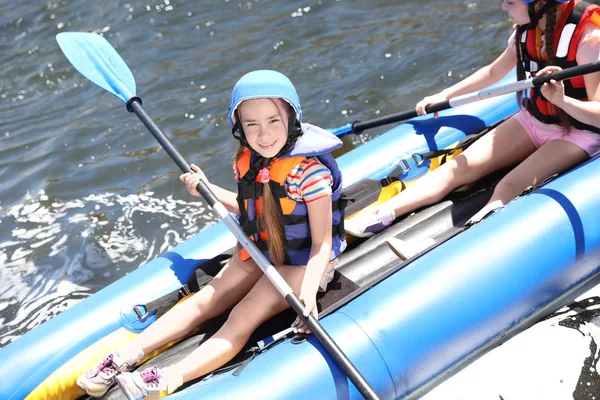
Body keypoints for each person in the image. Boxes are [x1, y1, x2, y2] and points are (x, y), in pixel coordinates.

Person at [76, 70, 346, 399]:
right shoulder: (249, 161)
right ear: (239, 127)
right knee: (205, 301)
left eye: (274, 121)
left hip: (304, 263)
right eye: (252, 125)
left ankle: (167, 379)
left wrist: (307, 295)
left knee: (244, 313)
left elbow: (322, 244)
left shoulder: (310, 175)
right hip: (261, 250)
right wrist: (206, 187)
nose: (264, 134)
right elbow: (252, 207)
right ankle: (123, 358)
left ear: (292, 118)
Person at [344, 0, 600, 238]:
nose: (503, 6)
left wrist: (562, 101)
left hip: (578, 133)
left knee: (509, 185)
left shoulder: (589, 39)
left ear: (540, 5)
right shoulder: (527, 30)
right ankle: (386, 212)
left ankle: (474, 235)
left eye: (511, 2)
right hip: (534, 121)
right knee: (459, 167)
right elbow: (493, 72)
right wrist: (445, 94)